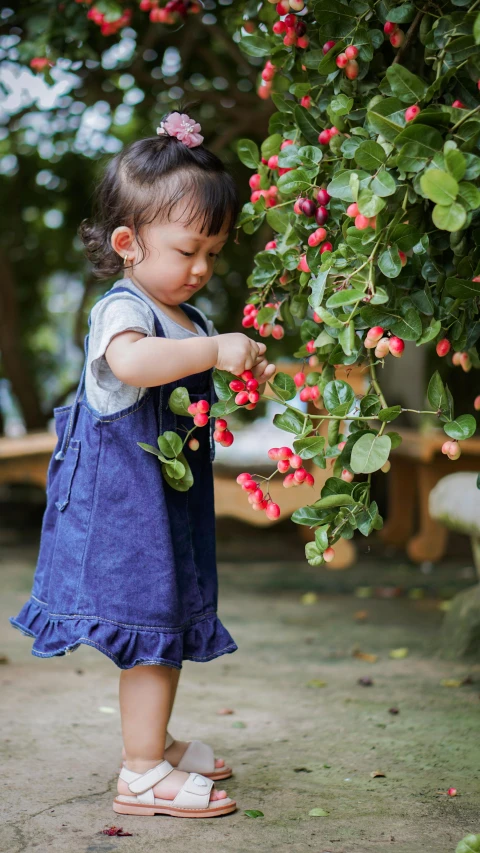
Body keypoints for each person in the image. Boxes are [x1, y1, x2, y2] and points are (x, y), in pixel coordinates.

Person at [10, 110, 276, 819]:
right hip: (121, 505)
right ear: (128, 243)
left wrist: (237, 359)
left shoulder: (186, 315)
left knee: (174, 619)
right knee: (150, 629)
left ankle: (154, 739)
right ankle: (140, 771)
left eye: (214, 254)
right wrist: (215, 351)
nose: (201, 267)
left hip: (165, 499)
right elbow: (133, 363)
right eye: (189, 249)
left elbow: (191, 369)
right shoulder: (123, 311)